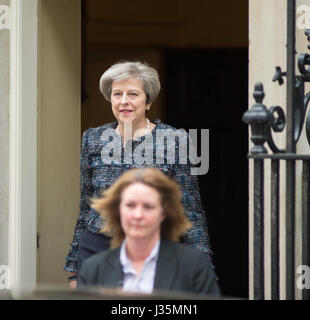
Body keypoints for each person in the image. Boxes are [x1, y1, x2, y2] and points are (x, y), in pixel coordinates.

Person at [64, 61, 213, 288]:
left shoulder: (174, 140)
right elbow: (87, 204)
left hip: (154, 248)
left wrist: (204, 269)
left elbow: (190, 210)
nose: (124, 101)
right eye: (117, 94)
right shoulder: (92, 138)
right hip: (97, 246)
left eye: (133, 94)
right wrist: (74, 268)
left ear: (149, 101)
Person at [78, 168, 220, 296]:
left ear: (163, 212)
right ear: (118, 210)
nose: (138, 215)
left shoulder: (194, 266)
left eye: (148, 206)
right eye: (130, 205)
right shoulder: (93, 270)